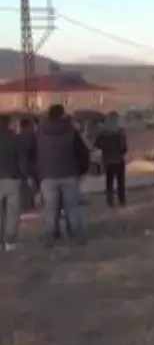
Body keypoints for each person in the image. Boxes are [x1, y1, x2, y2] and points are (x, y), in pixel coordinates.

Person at [36, 104, 89, 245]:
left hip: (47, 176)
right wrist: (82, 171)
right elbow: (83, 153)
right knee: (71, 207)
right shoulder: (71, 132)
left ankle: (50, 236)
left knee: (50, 208)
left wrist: (37, 173)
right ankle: (76, 235)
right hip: (69, 174)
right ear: (62, 114)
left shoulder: (40, 132)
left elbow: (34, 154)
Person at [0, 115, 28, 251]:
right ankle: (9, 241)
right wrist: (25, 175)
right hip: (12, 178)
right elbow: (21, 160)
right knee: (13, 212)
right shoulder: (15, 139)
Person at [92, 111, 129, 208]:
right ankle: (122, 200)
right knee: (120, 181)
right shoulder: (120, 133)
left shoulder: (103, 133)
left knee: (109, 181)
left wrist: (105, 149)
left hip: (107, 160)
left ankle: (110, 200)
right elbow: (124, 148)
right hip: (118, 160)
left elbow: (96, 145)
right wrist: (120, 153)